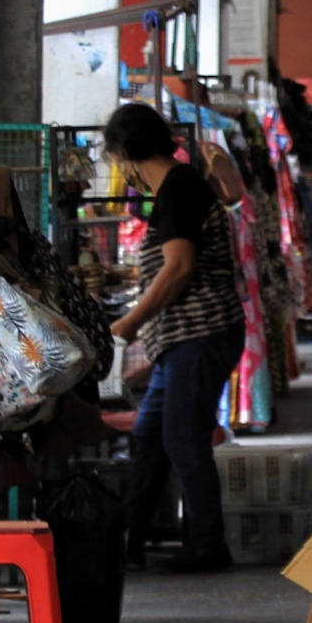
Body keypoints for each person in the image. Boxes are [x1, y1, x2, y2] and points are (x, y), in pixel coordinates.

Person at [104, 103, 247, 574]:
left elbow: (180, 267)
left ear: (126, 154)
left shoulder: (179, 189)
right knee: (150, 437)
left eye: (116, 162)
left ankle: (208, 547)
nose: (120, 173)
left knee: (183, 439)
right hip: (183, 343)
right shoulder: (174, 190)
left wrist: (128, 323)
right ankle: (131, 539)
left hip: (200, 336)